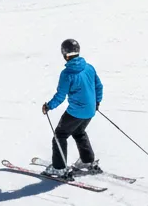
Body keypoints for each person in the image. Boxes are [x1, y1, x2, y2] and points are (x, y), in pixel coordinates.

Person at [41, 39, 103, 178]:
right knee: (79, 131)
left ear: (64, 53)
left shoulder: (67, 74)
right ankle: (87, 161)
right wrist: (97, 102)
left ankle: (59, 168)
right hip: (90, 110)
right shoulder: (89, 68)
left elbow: (60, 96)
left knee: (60, 135)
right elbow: (98, 87)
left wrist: (49, 106)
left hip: (76, 112)